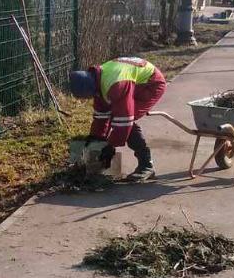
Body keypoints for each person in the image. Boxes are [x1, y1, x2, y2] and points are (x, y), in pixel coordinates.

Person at [68, 55, 167, 183]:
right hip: (131, 81)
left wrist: (109, 146)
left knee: (125, 121)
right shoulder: (97, 79)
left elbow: (124, 121)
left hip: (150, 85)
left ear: (90, 89)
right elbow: (101, 116)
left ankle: (146, 165)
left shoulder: (116, 84)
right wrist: (95, 140)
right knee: (117, 118)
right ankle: (102, 163)